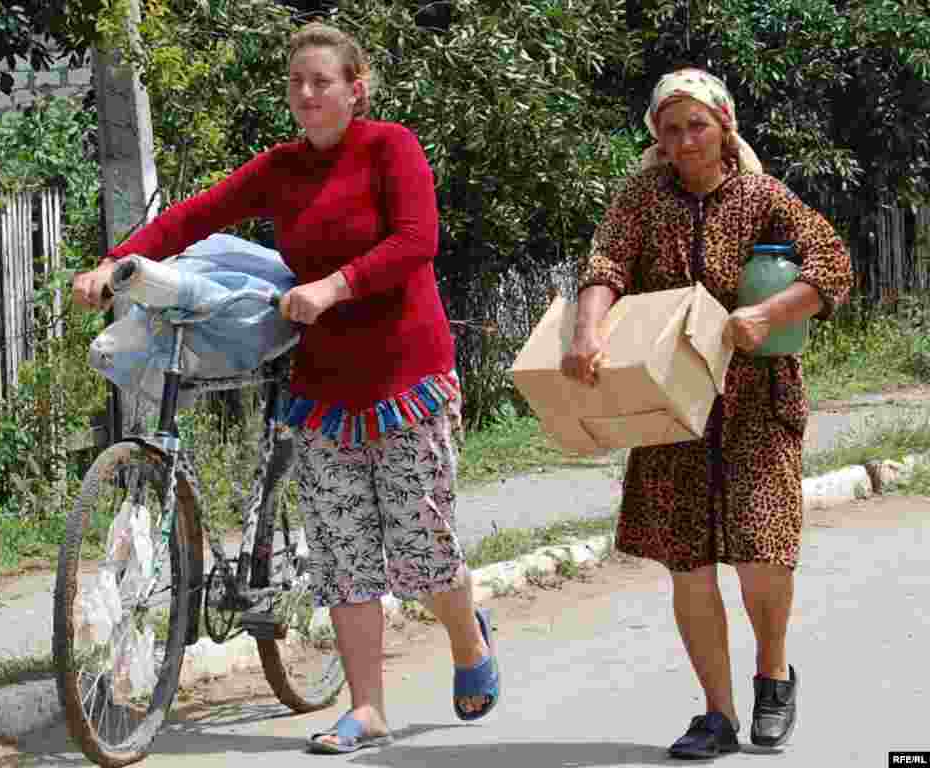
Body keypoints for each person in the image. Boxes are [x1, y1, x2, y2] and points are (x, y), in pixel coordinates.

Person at [72, 21, 499, 755]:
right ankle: (367, 708)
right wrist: (115, 265)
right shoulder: (281, 167)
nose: (306, 94)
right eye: (297, 82)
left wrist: (335, 285)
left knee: (424, 553)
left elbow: (415, 241)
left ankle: (469, 639)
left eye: (321, 81)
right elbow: (192, 216)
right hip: (324, 387)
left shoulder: (391, 147)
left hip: (406, 378)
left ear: (354, 88)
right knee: (342, 554)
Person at [562, 68, 852, 760]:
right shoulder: (641, 196)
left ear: (724, 125)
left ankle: (773, 676)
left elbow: (832, 261)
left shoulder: (760, 194)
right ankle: (716, 715)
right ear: (657, 139)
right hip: (671, 408)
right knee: (688, 568)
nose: (685, 140)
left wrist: (772, 311)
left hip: (756, 405)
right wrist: (587, 330)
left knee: (761, 559)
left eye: (698, 124)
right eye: (671, 128)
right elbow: (606, 262)